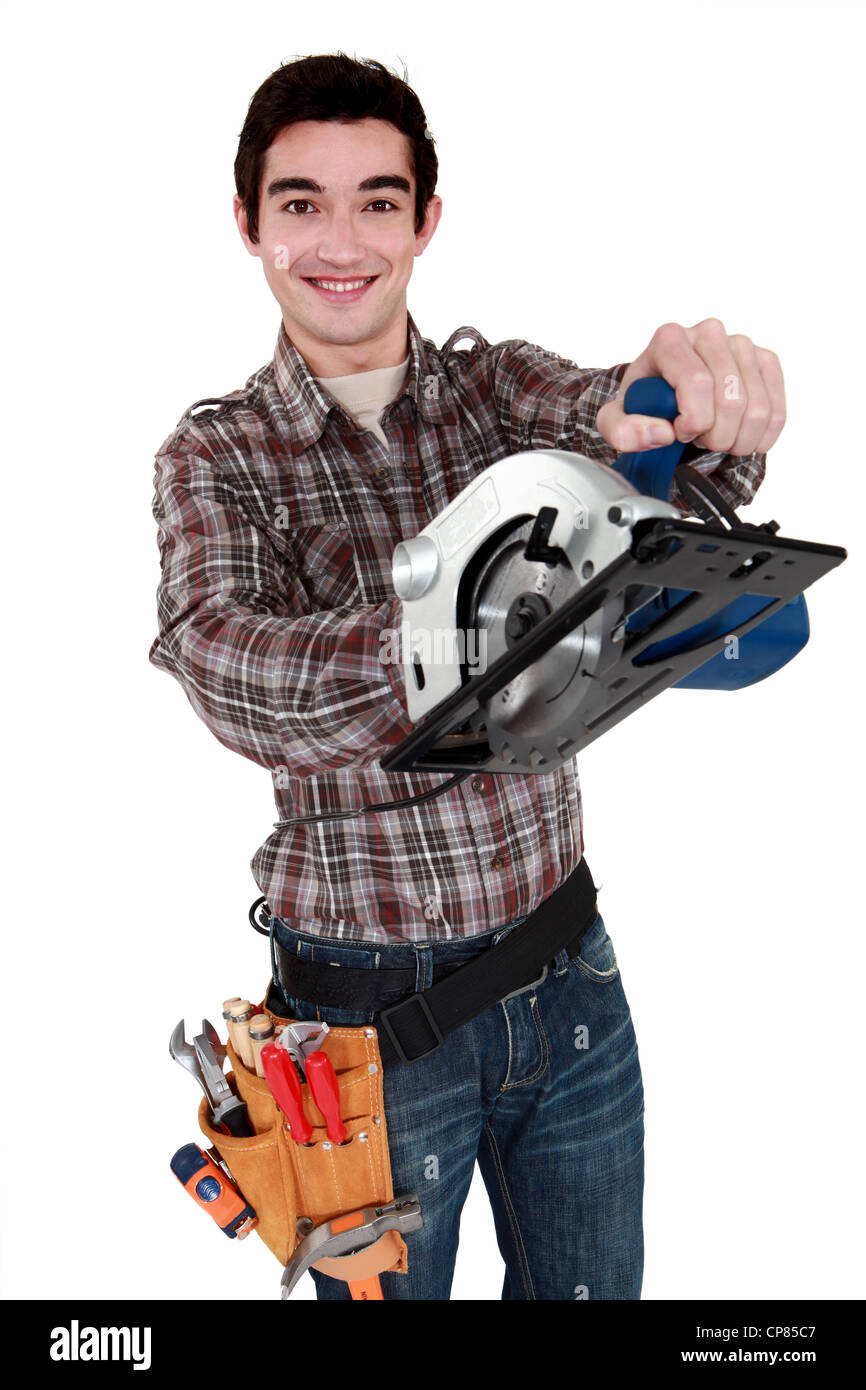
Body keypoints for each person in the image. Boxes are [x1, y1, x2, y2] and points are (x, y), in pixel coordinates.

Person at [149, 53, 786, 1300]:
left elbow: (622, 438)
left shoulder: (492, 389)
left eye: (378, 201)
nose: (343, 240)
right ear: (248, 224)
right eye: (300, 203)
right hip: (366, 1038)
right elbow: (231, 668)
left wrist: (685, 402)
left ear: (424, 220)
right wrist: (453, 632)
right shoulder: (214, 455)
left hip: (571, 976)